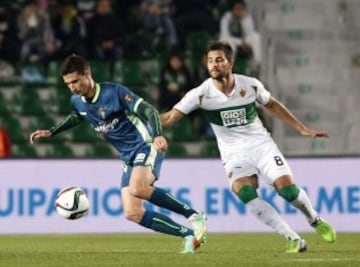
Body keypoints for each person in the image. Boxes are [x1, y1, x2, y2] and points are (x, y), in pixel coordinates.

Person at [160, 41, 336, 253]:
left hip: (261, 146)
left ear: (230, 63)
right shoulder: (200, 94)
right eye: (210, 61)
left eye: (219, 60)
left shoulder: (250, 85)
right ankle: (293, 238)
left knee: (288, 191)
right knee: (244, 192)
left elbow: (271, 104)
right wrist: (142, 118)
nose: (214, 65)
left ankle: (314, 219)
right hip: (234, 153)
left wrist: (301, 128)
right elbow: (169, 118)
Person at [29, 54, 207, 254]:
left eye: (75, 81)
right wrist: (52, 131)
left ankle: (194, 215)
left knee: (138, 188)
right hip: (127, 156)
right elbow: (78, 116)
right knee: (132, 213)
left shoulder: (114, 92)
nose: (72, 87)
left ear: (87, 73)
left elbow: (149, 111)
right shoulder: (77, 101)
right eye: (68, 83)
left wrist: (157, 135)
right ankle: (187, 235)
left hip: (145, 145)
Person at [218, 0, 262, 76]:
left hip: (243, 43)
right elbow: (224, 35)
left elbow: (249, 33)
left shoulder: (246, 18)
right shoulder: (226, 18)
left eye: (241, 9)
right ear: (232, 10)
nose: (239, 11)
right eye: (237, 9)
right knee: (229, 44)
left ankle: (256, 66)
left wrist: (243, 20)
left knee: (256, 37)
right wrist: (240, 42)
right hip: (230, 42)